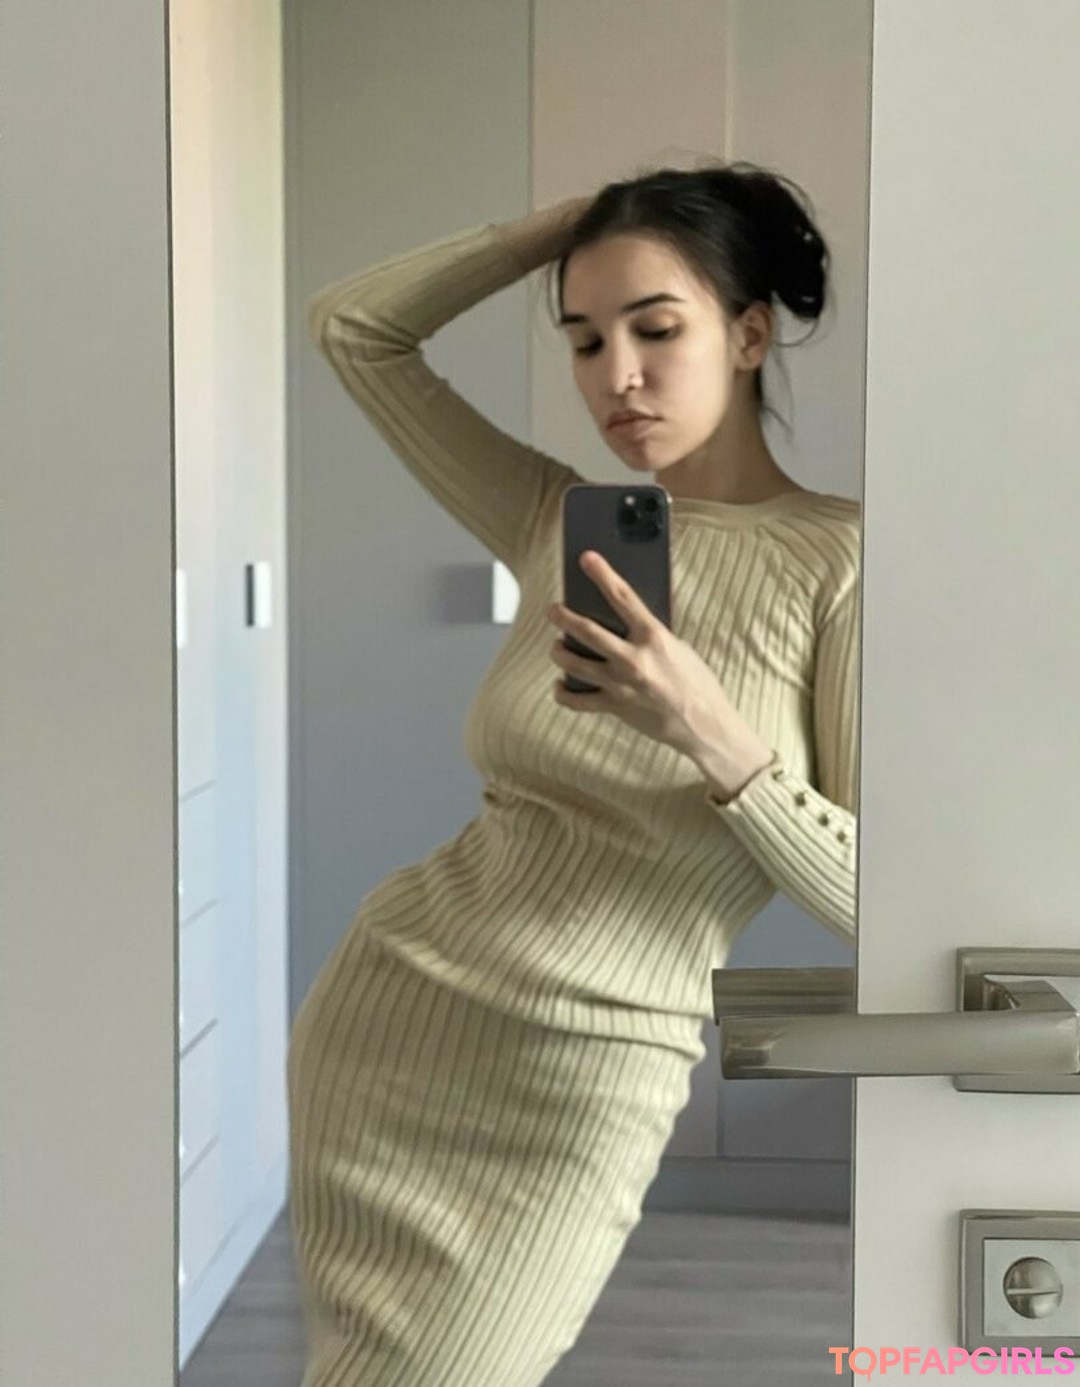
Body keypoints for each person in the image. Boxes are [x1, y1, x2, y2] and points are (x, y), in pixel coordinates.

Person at [286, 161, 860, 1387]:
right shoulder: (559, 515)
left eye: (657, 328)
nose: (617, 377)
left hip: (594, 1068)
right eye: (585, 340)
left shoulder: (843, 561)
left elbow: (883, 896)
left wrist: (711, 730)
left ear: (750, 333)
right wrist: (569, 223)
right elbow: (353, 328)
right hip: (397, 1010)